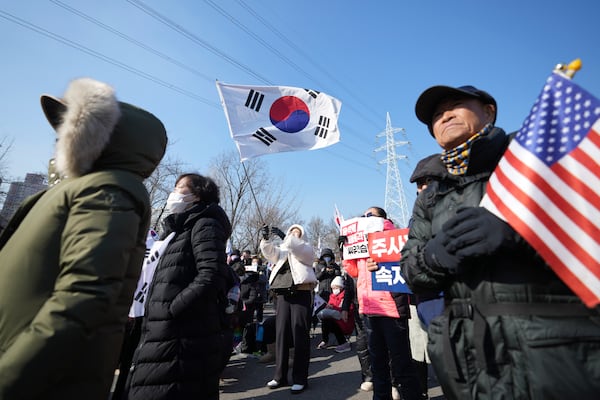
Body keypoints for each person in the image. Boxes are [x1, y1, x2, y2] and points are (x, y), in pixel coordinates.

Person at [399, 84, 600, 399]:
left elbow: (590, 227)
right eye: (436, 115)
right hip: (466, 361)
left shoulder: (534, 157)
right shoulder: (430, 196)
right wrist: (434, 258)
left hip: (557, 353)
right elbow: (411, 270)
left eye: (455, 105)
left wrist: (518, 235)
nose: (444, 115)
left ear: (489, 110)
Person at [0, 77, 167, 399]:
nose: (60, 136)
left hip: (41, 379)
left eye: (73, 126)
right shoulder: (74, 188)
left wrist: (11, 377)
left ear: (98, 139)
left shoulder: (106, 190)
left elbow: (85, 294)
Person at [125, 173, 233, 400]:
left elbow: (211, 275)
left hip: (181, 332)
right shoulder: (175, 229)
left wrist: (172, 309)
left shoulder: (205, 224)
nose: (173, 193)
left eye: (180, 188)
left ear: (197, 195)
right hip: (158, 328)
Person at [344, 207, 422, 400]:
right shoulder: (362, 239)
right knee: (377, 364)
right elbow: (354, 271)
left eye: (371, 215)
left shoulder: (392, 236)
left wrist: (381, 258)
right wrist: (345, 250)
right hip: (369, 307)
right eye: (364, 216)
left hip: (391, 307)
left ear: (383, 218)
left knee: (401, 362)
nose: (366, 218)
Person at [260, 224, 317, 394]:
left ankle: (300, 378)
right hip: (283, 294)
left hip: (301, 293)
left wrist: (287, 237)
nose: (293, 234)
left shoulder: (307, 249)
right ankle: (280, 376)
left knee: (300, 334)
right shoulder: (284, 249)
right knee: (281, 333)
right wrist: (266, 239)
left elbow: (298, 249)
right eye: (291, 232)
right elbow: (271, 254)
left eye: (296, 232)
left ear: (302, 235)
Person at [316, 276, 355, 352]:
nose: (334, 290)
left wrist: (334, 308)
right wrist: (329, 307)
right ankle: (325, 341)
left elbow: (349, 309)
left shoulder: (345, 297)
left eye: (336, 287)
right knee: (325, 320)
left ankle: (343, 343)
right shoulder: (332, 296)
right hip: (335, 319)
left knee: (332, 322)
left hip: (345, 321)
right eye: (333, 288)